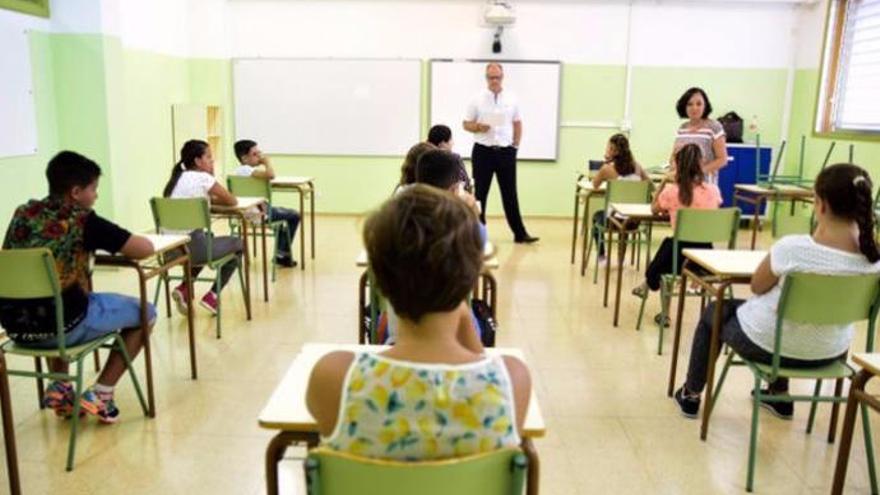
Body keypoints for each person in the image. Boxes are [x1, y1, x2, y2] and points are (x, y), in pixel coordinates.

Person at [306, 185, 531, 460]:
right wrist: (459, 303)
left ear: (379, 282)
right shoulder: (510, 380)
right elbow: (478, 360)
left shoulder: (334, 376)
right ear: (473, 279)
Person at [673, 163, 880, 419]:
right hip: (831, 354)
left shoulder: (794, 249)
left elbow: (757, 286)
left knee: (716, 310)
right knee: (789, 316)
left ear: (821, 205)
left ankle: (691, 394)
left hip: (769, 347)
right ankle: (778, 394)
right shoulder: (873, 260)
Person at [0, 151, 155, 423]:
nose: (96, 195)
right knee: (147, 311)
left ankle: (60, 387)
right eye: (93, 188)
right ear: (75, 192)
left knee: (50, 297)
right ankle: (102, 394)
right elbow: (143, 249)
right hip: (64, 326)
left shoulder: (23, 213)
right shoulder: (84, 221)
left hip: (17, 327)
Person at [632, 144, 722, 325]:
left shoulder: (672, 191)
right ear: (701, 164)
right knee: (669, 244)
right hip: (706, 257)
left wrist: (665, 182)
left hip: (680, 258)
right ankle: (647, 285)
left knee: (670, 248)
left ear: (677, 166)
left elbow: (653, 208)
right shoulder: (713, 191)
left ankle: (654, 294)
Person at [162, 140, 243, 315]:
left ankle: (185, 288)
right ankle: (213, 296)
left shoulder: (176, 179)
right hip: (192, 250)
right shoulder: (203, 178)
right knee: (239, 244)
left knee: (208, 236)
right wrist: (212, 177)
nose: (212, 161)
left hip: (168, 250)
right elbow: (232, 201)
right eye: (209, 157)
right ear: (198, 161)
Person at [463, 62, 538, 244]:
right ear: (486, 78)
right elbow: (466, 124)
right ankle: (478, 234)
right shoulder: (477, 99)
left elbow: (517, 123)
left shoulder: (512, 99)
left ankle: (520, 233)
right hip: (483, 151)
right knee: (480, 194)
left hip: (505, 152)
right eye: (491, 77)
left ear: (502, 77)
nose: (494, 80)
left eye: (497, 77)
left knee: (510, 193)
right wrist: (479, 127)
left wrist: (515, 146)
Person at [233, 139, 300, 268]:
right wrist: (267, 162)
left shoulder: (238, 172)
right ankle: (281, 254)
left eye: (259, 153)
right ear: (244, 158)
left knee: (282, 220)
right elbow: (271, 174)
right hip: (258, 213)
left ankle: (281, 253)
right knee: (294, 215)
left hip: (245, 213)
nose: (259, 157)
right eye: (255, 154)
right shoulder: (245, 170)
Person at [590, 133, 650, 260]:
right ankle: (620, 258)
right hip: (634, 221)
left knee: (596, 217)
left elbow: (595, 185)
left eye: (608, 147)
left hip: (612, 222)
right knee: (625, 214)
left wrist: (605, 163)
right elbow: (650, 186)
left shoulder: (606, 169)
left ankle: (601, 255)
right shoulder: (637, 167)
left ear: (613, 151)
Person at [671, 87, 728, 185]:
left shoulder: (714, 127)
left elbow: (722, 159)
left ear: (705, 106)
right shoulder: (682, 128)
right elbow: (674, 155)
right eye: (690, 104)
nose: (694, 108)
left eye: (699, 104)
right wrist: (674, 169)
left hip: (705, 186)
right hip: (683, 186)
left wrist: (698, 173)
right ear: (684, 106)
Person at [427, 124, 472, 192]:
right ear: (442, 144)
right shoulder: (454, 158)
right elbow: (465, 184)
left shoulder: (423, 157)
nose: (453, 143)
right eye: (450, 139)